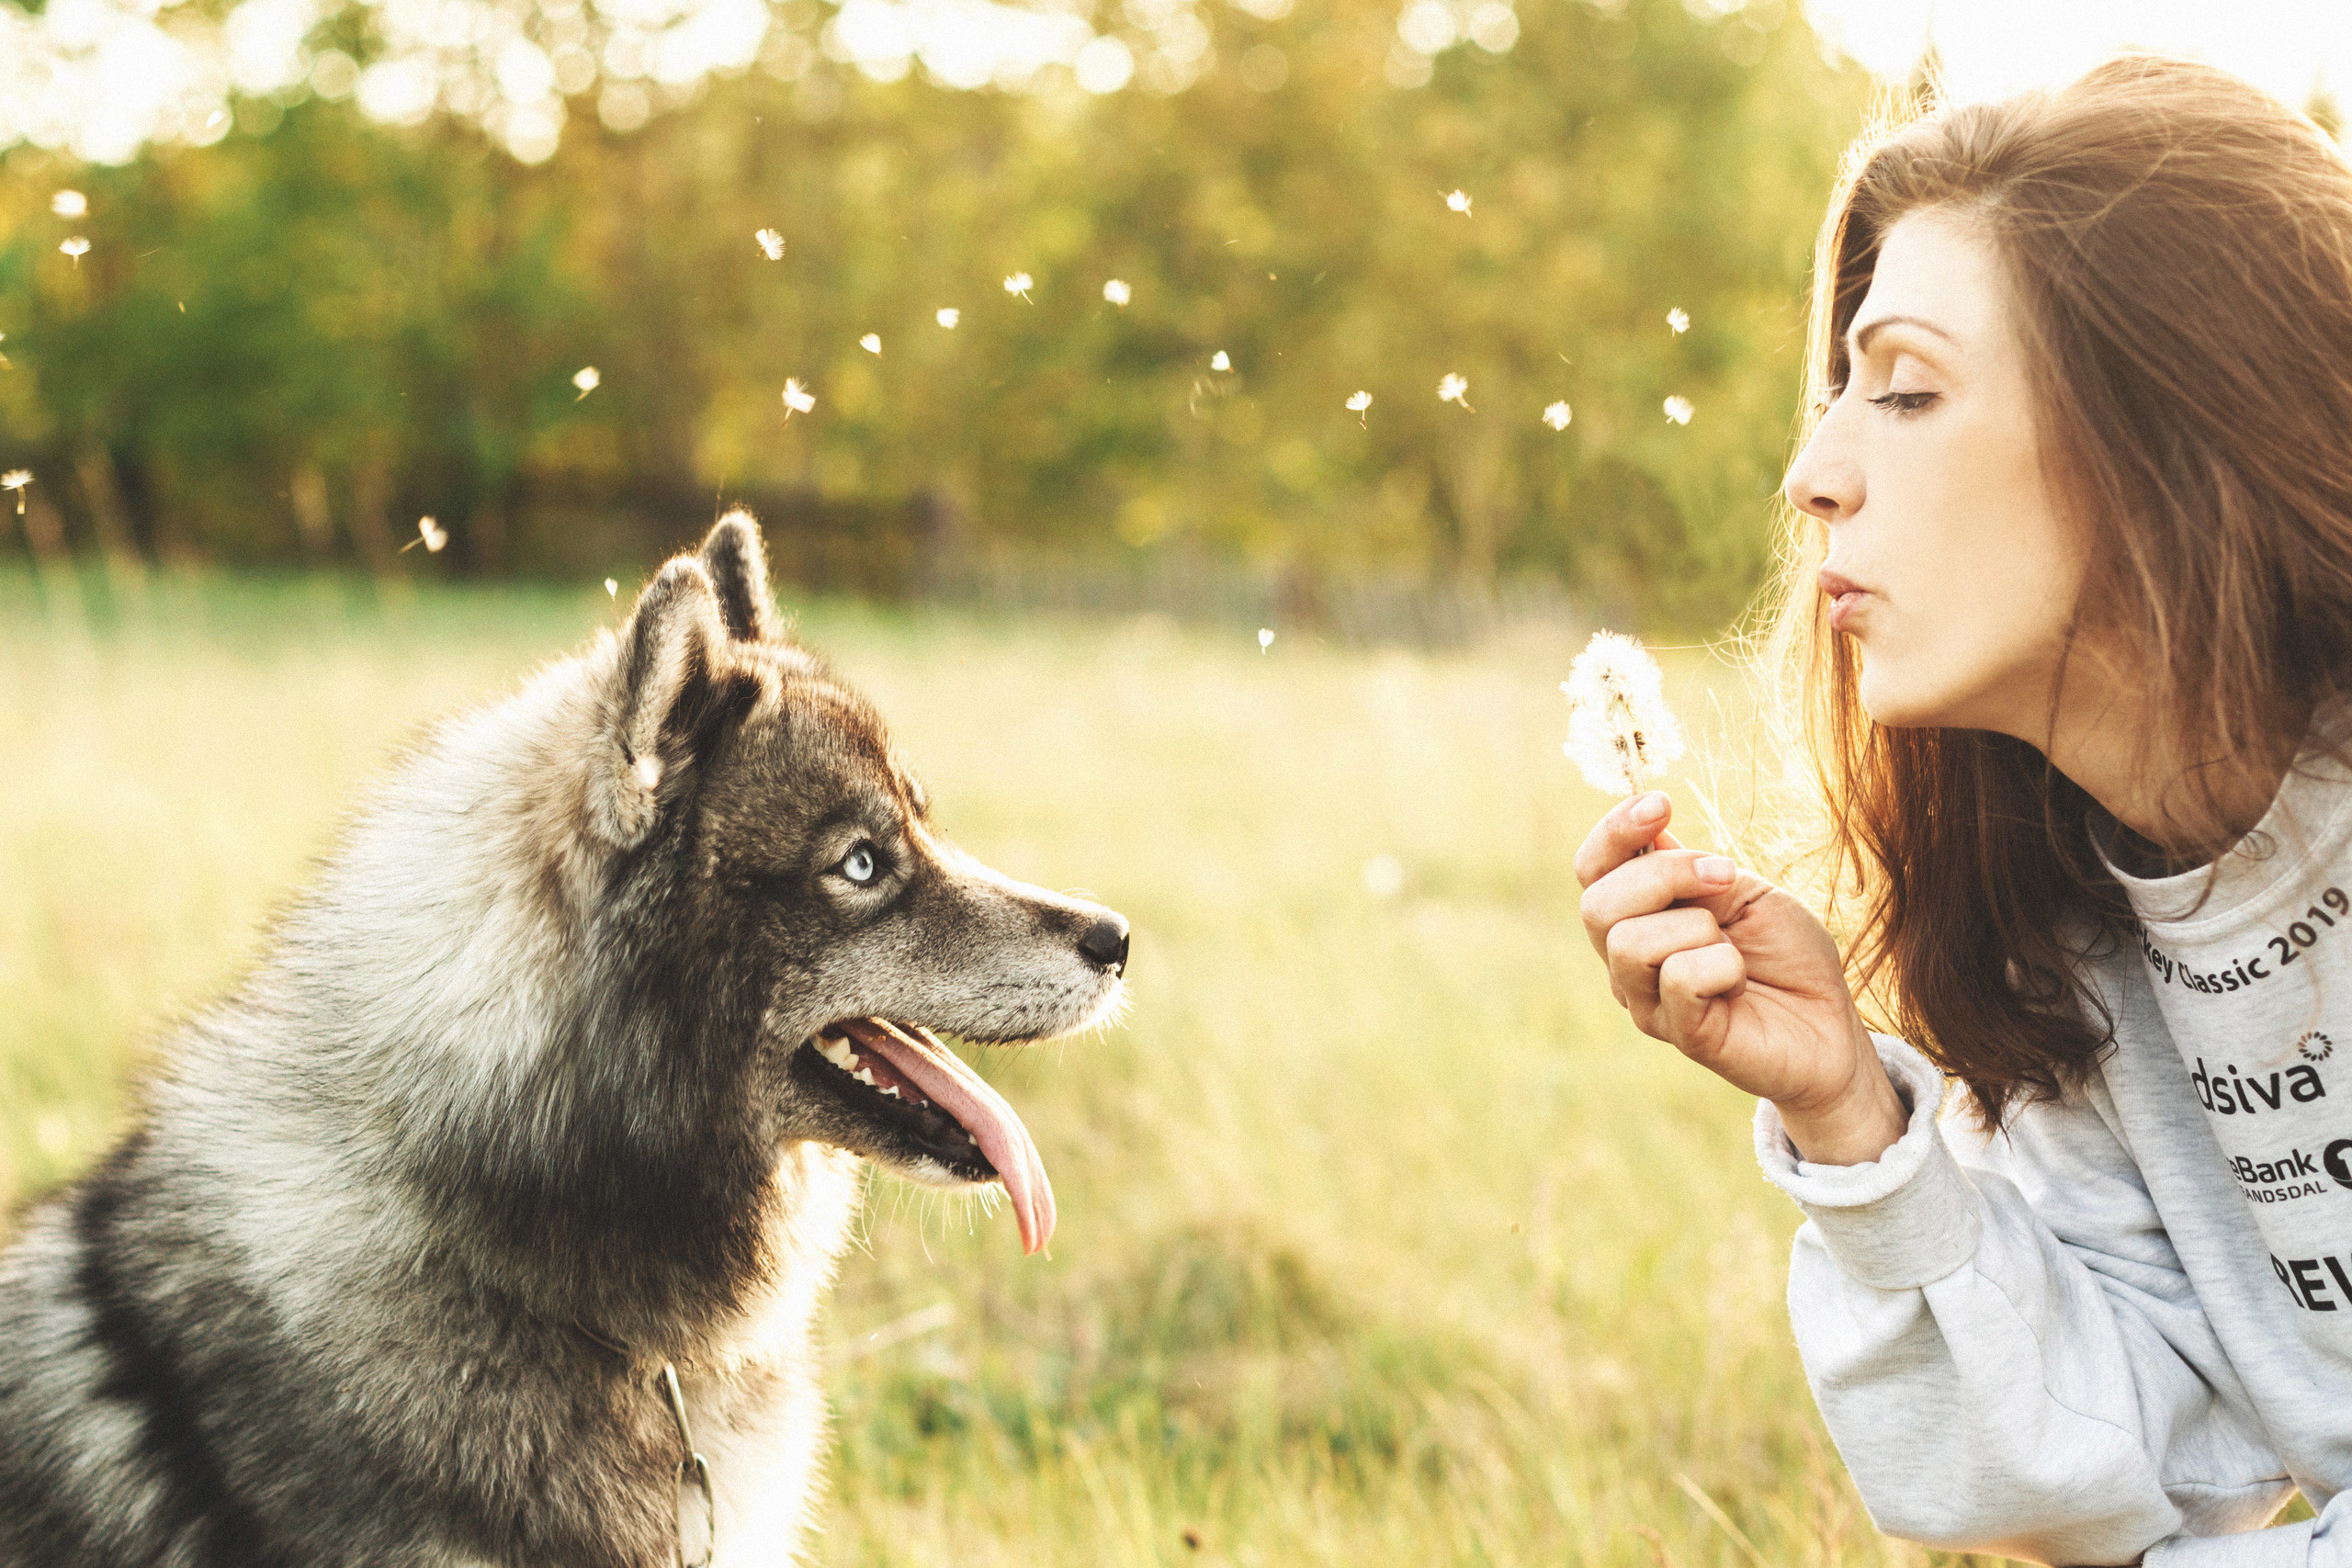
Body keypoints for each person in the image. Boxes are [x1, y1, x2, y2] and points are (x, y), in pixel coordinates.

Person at [1577, 56, 2352, 1566]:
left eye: (1911, 391)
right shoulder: (2077, 927)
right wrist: (1854, 1124)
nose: (1811, 476)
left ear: (2172, 437)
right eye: (1839, 394)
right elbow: (2117, 1477)